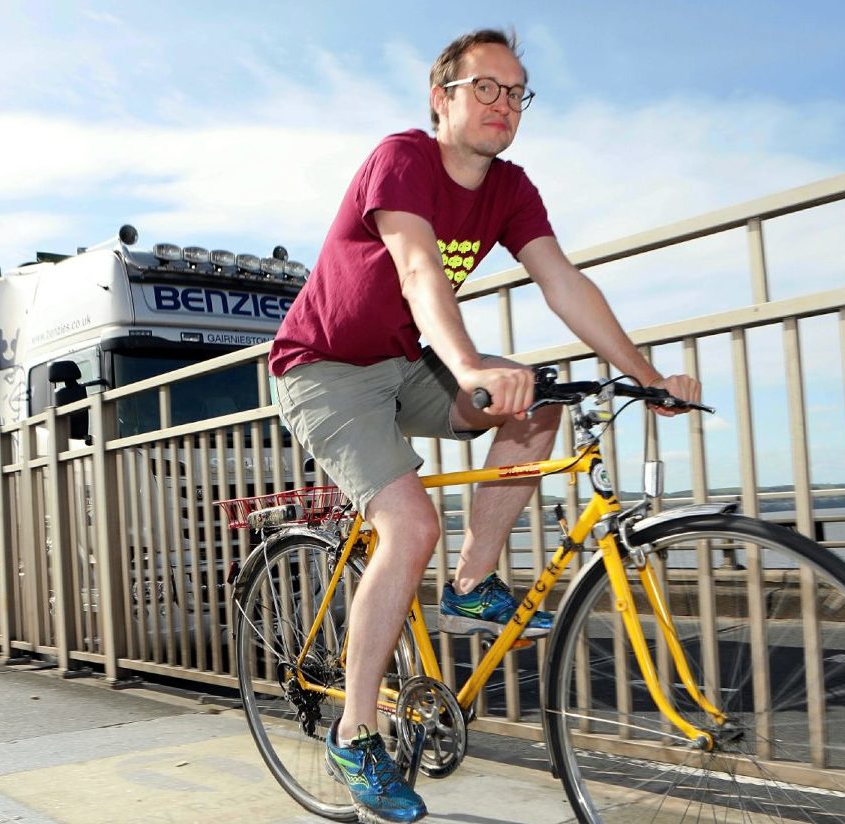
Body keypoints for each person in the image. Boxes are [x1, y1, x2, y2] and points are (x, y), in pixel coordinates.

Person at [268, 28, 701, 823]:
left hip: (407, 359)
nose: (503, 104)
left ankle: (471, 584)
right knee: (407, 523)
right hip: (325, 368)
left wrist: (644, 376)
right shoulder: (401, 158)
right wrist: (468, 367)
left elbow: (562, 282)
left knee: (540, 402)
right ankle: (355, 731)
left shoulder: (510, 187)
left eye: (516, 92)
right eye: (485, 88)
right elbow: (416, 267)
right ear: (443, 98)